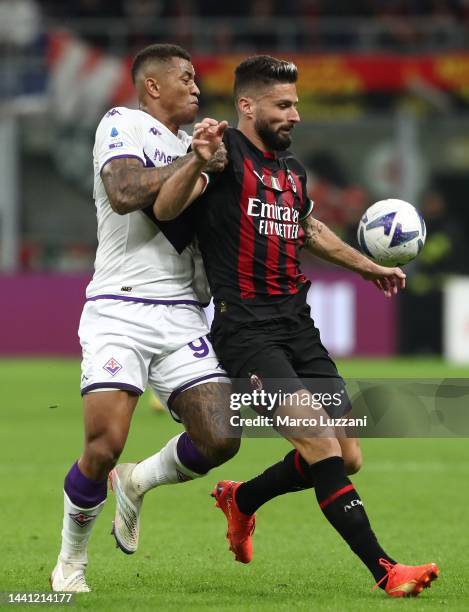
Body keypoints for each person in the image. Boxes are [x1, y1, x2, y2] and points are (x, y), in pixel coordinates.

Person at [152, 55, 439, 598]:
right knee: (320, 446)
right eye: (283, 105)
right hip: (247, 333)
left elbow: (309, 228)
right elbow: (167, 209)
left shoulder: (290, 172)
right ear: (247, 105)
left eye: (296, 104)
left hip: (298, 328)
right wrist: (196, 160)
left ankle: (243, 499)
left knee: (347, 454)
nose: (296, 115)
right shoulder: (222, 155)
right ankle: (386, 570)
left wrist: (370, 266)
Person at [50, 43, 237, 593]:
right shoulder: (122, 122)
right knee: (104, 442)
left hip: (182, 313)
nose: (197, 88)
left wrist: (208, 163)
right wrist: (196, 160)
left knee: (220, 439)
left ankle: (135, 483)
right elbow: (125, 191)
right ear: (152, 86)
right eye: (186, 78)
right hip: (120, 306)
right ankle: (70, 562)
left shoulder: (194, 148)